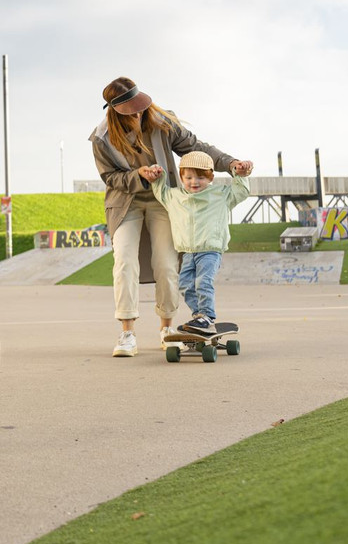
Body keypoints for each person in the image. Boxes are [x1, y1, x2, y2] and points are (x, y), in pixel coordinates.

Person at [89, 77, 252, 357]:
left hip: (165, 200)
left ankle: (166, 328)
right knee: (124, 262)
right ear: (114, 111)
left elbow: (197, 148)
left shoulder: (162, 121)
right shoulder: (101, 138)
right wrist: (138, 175)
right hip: (126, 202)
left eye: (140, 107)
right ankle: (127, 333)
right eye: (131, 111)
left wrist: (231, 163)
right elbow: (110, 178)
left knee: (166, 264)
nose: (139, 114)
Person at [144, 151, 250, 337]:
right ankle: (200, 316)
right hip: (187, 252)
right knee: (185, 284)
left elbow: (241, 192)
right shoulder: (175, 196)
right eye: (189, 177)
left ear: (210, 177)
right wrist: (157, 176)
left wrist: (240, 174)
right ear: (181, 177)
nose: (194, 182)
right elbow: (160, 191)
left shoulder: (220, 195)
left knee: (203, 282)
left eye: (201, 177)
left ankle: (207, 316)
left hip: (210, 250)